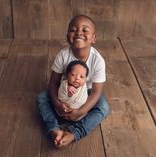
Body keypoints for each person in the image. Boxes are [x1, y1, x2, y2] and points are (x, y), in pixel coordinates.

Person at [37, 15, 109, 148]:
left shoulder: (98, 61)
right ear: (67, 37)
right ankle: (54, 129)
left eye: (85, 30)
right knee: (42, 97)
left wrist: (80, 112)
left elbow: (96, 92)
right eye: (73, 29)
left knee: (104, 107)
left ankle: (74, 133)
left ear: (93, 38)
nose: (79, 32)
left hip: (86, 92)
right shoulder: (63, 55)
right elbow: (53, 83)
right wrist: (58, 104)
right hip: (64, 90)